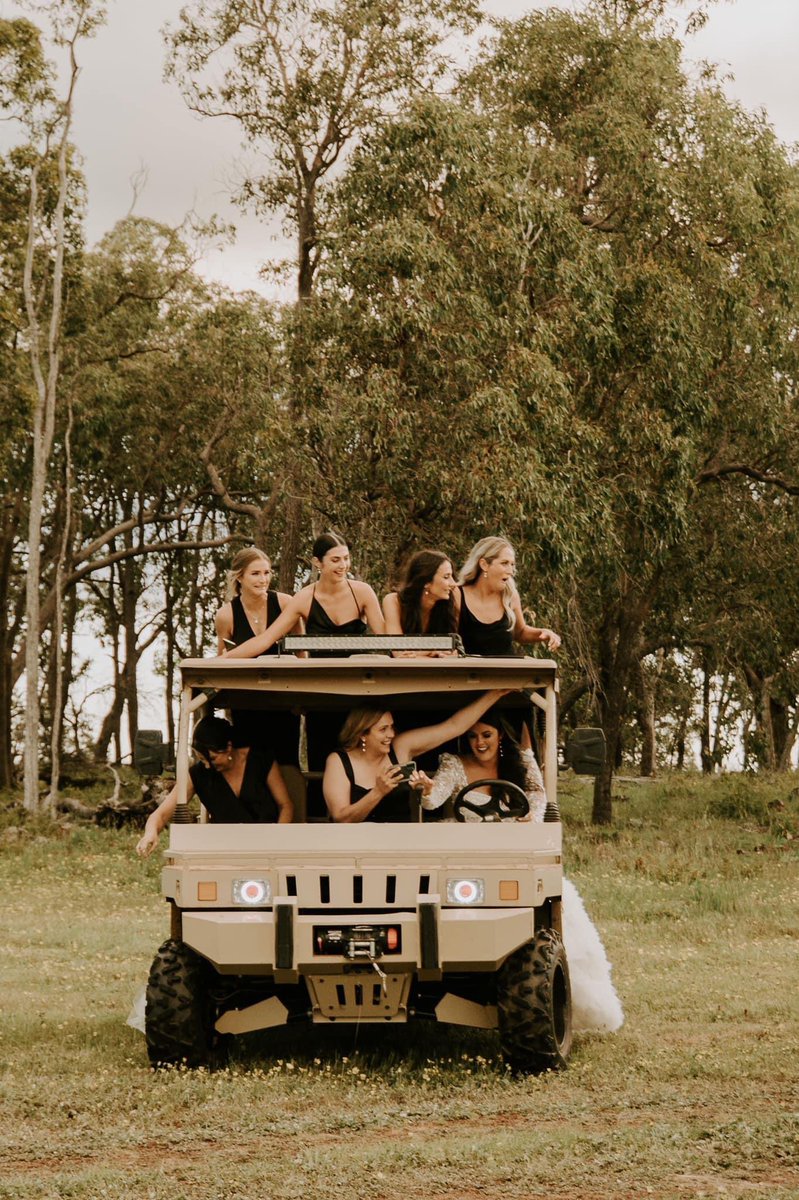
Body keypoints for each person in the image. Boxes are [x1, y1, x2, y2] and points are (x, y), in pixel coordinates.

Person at [420, 711, 624, 1035]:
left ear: (500, 735)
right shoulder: (455, 764)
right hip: (467, 855)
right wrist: (427, 789)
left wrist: (530, 818)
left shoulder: (520, 763)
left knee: (559, 903)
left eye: (486, 734)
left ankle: (551, 994)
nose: (479, 743)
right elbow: (433, 800)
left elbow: (537, 796)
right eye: (472, 736)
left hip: (510, 853)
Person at [323, 690, 510, 823]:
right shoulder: (338, 760)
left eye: (391, 727)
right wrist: (378, 792)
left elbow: (453, 727)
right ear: (362, 734)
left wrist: (496, 693)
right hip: (355, 847)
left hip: (401, 844)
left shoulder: (401, 747)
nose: (391, 734)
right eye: (383, 729)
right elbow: (341, 818)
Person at [135, 716, 293, 857]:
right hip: (225, 852)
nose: (207, 765)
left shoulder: (261, 760)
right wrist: (150, 833)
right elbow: (160, 815)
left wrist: (277, 843)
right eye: (201, 759)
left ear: (228, 747)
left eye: (212, 758)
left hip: (270, 847)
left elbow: (285, 805)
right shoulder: (198, 774)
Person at [222, 532, 384, 659]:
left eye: (346, 559)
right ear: (317, 562)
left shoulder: (363, 592)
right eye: (335, 560)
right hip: (321, 680)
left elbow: (387, 638)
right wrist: (224, 658)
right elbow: (266, 639)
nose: (343, 565)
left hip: (361, 677)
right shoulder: (303, 598)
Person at [214, 546, 302, 764]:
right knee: (251, 765)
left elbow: (302, 651)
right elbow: (222, 659)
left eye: (267, 572)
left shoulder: (285, 603)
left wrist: (302, 697)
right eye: (255, 573)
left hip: (284, 701)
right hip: (246, 703)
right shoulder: (226, 615)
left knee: (287, 764)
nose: (263, 579)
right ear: (239, 577)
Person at [454, 536, 561, 657]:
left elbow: (520, 633)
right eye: (504, 563)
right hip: (469, 669)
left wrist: (543, 633)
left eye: (512, 564)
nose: (511, 571)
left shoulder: (510, 596)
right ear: (484, 564)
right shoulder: (457, 595)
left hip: (508, 668)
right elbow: (447, 640)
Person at [382, 550, 458, 657]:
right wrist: (432, 649)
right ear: (426, 582)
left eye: (452, 576)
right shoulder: (393, 601)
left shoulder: (448, 603)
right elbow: (398, 650)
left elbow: (454, 650)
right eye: (446, 577)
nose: (453, 583)